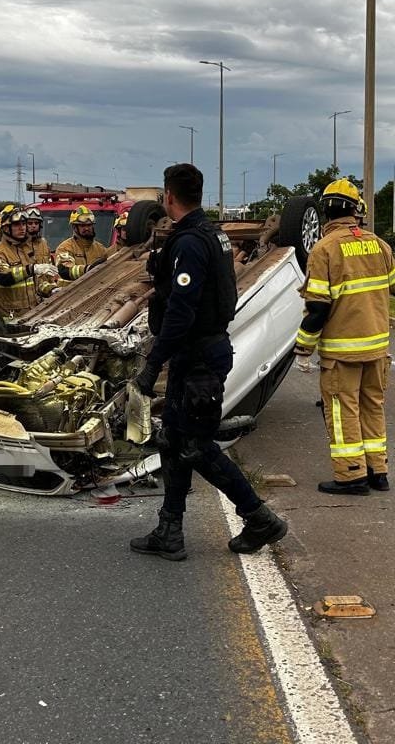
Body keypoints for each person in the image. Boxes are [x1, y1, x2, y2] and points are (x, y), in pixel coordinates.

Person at [130, 163, 286, 561]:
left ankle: (258, 517)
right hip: (200, 353)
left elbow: (182, 312)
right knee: (175, 441)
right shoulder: (213, 236)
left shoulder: (189, 243)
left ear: (168, 196)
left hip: (198, 357)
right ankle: (170, 530)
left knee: (195, 446)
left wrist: (153, 363)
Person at [294, 180, 395, 495]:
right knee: (373, 406)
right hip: (377, 349)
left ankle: (350, 475)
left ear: (326, 210)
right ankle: (378, 471)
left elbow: (317, 307)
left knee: (343, 412)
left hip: (342, 353)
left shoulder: (324, 249)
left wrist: (303, 349)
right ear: (356, 210)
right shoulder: (379, 245)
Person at [0, 206, 57, 317]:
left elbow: (36, 283)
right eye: (16, 225)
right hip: (9, 317)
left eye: (23, 224)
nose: (22, 228)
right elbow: (1, 276)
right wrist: (31, 269)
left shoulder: (27, 250)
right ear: (5, 228)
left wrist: (52, 290)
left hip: (32, 314)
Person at [55, 205, 108, 280]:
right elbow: (65, 271)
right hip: (72, 290)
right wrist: (87, 269)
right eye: (82, 226)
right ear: (74, 227)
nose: (87, 228)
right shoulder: (65, 248)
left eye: (89, 225)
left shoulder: (101, 249)